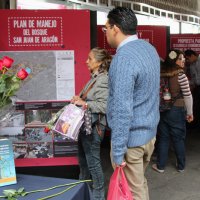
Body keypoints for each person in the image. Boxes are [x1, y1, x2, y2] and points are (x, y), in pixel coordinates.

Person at [104, 7, 160, 200]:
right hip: (148, 136)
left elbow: (122, 109)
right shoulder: (149, 49)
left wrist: (118, 151)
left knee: (133, 193)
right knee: (138, 184)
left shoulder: (123, 59)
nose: (106, 32)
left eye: (106, 28)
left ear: (116, 28)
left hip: (131, 141)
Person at [71, 47, 112, 200]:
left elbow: (104, 106)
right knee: (83, 161)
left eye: (90, 58)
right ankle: (82, 190)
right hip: (86, 126)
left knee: (93, 163)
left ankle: (98, 196)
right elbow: (89, 100)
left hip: (94, 128)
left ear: (100, 62)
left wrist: (84, 103)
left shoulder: (103, 79)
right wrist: (78, 99)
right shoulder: (94, 78)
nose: (86, 61)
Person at [152, 49, 193, 174]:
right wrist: (190, 112)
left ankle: (161, 166)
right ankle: (181, 166)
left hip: (163, 109)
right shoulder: (181, 75)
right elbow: (188, 96)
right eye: (180, 59)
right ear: (174, 60)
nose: (183, 61)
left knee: (163, 137)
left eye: (184, 59)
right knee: (178, 138)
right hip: (176, 109)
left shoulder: (161, 73)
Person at [184, 49, 200, 127]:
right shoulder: (191, 65)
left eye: (187, 58)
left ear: (193, 56)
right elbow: (194, 79)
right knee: (196, 106)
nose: (187, 61)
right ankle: (194, 124)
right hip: (197, 88)